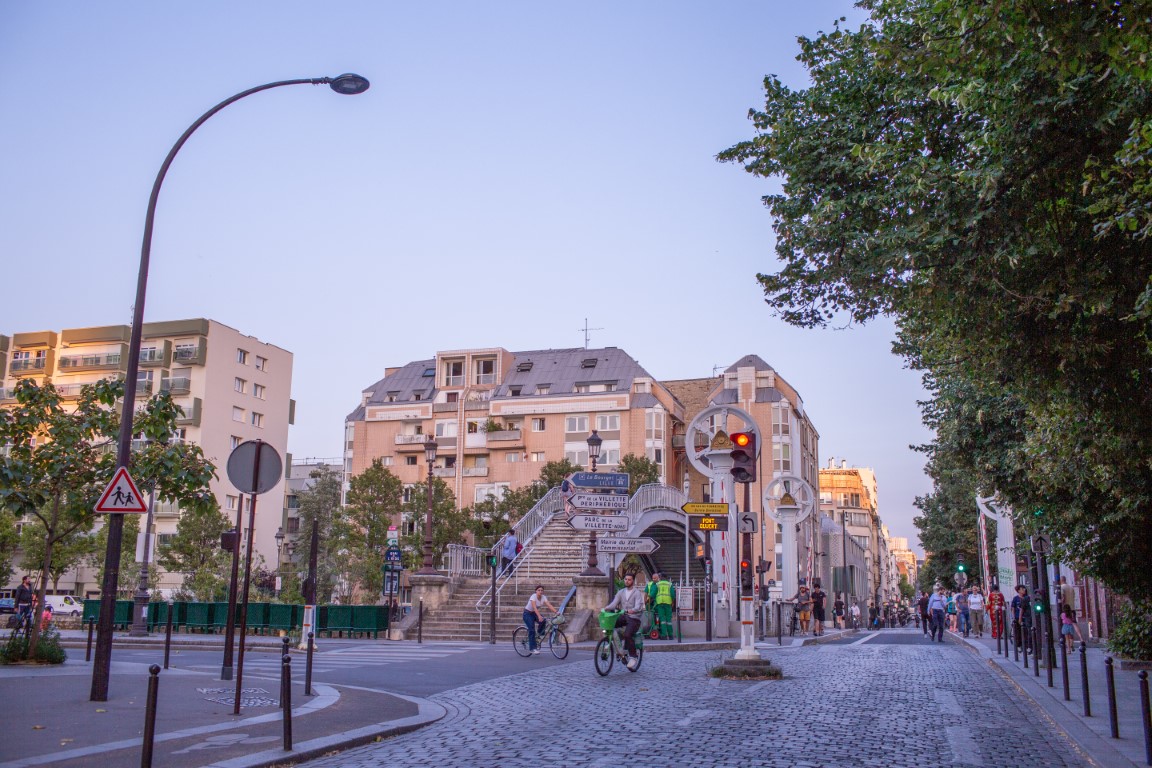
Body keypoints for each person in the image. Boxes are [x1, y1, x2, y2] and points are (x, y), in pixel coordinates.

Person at [604, 572, 645, 669]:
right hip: (623, 616)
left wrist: (632, 610)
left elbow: (638, 606)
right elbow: (614, 603)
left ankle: (633, 656)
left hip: (634, 618)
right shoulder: (621, 592)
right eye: (626, 579)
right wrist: (606, 608)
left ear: (633, 581)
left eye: (629, 579)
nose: (627, 581)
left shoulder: (637, 593)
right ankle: (616, 647)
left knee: (628, 634)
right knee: (610, 626)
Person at [522, 585, 557, 655]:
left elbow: (549, 605)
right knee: (531, 630)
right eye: (539, 590)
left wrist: (556, 612)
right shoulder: (533, 596)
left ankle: (538, 636)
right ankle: (532, 649)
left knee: (543, 621)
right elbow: (534, 607)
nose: (540, 591)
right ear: (536, 591)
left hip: (534, 613)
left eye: (542, 590)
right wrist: (539, 616)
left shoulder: (543, 597)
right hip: (527, 613)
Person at [646, 571, 676, 639]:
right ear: (666, 578)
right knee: (668, 619)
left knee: (662, 619)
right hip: (668, 603)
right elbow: (673, 595)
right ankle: (670, 635)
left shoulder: (657, 584)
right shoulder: (670, 584)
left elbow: (652, 594)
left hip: (660, 604)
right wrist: (673, 602)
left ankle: (664, 635)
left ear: (660, 577)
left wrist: (647, 600)